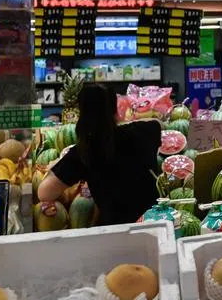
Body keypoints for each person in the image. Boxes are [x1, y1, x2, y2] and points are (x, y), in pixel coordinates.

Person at [38, 83, 163, 225]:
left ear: (82, 114)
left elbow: (44, 192)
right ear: (115, 108)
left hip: (117, 229)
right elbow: (157, 122)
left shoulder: (83, 152)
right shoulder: (143, 131)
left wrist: (55, 167)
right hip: (156, 221)